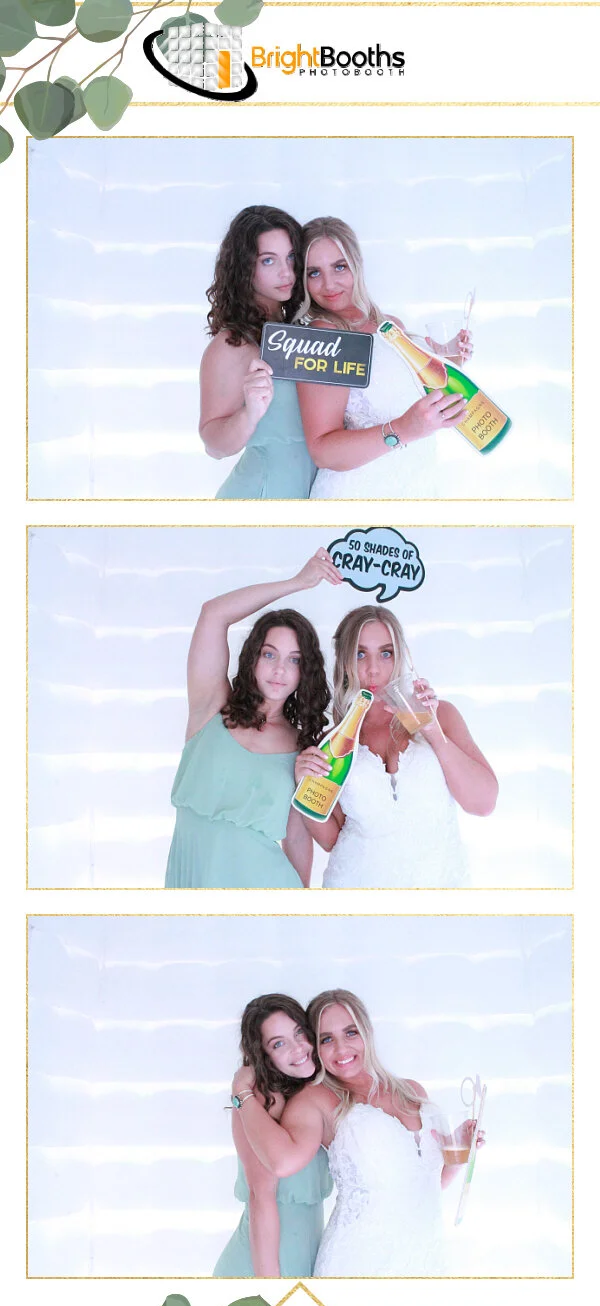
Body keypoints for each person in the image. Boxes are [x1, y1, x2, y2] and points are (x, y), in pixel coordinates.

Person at [232, 990, 485, 1277]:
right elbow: (282, 1162)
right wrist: (242, 1091)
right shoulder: (315, 1100)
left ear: (367, 1031)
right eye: (326, 1039)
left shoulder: (412, 1091)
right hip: (359, 1263)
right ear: (316, 1046)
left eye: (350, 1032)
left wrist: (460, 1154)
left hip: (426, 1259)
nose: (341, 1049)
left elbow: (423, 1187)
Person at [164, 551, 339, 889]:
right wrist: (298, 582)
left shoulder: (302, 747)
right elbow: (213, 613)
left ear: (305, 672)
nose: (279, 669)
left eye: (294, 660)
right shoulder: (212, 708)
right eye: (269, 654)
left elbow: (296, 838)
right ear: (253, 658)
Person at [294, 606, 498, 886]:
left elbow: (483, 804)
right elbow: (332, 840)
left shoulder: (442, 716)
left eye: (386, 653)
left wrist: (432, 732)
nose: (373, 669)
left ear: (400, 656)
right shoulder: (334, 741)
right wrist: (304, 785)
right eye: (360, 654)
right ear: (344, 661)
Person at [295, 217, 473, 499]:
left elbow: (411, 398)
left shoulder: (389, 325)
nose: (328, 284)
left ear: (357, 264)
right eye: (314, 273)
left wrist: (450, 359)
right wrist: (404, 430)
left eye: (339, 267)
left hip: (417, 482)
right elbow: (323, 451)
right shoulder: (324, 337)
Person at [199, 205, 315, 498]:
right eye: (268, 260)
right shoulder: (233, 344)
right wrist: (249, 414)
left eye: (291, 257)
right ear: (244, 267)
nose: (285, 272)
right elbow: (214, 446)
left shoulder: (301, 333)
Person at [213, 995, 332, 1278]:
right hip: (264, 1268)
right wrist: (269, 1286)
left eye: (299, 1033)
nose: (298, 1048)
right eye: (279, 1044)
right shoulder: (262, 1100)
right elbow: (260, 1196)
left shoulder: (309, 1096)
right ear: (264, 1056)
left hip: (307, 1260)